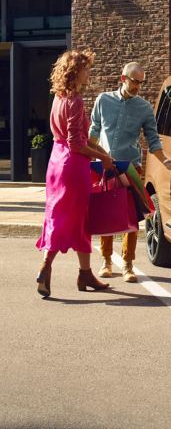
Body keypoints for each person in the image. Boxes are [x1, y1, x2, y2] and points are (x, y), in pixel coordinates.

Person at [89, 61, 171, 282]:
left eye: (141, 82)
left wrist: (165, 161)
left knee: (130, 217)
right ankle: (106, 261)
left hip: (131, 167)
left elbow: (153, 140)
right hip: (106, 167)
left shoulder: (144, 108)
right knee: (107, 214)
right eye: (135, 81)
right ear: (123, 78)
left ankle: (128, 264)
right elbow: (94, 132)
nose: (138, 86)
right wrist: (88, 159)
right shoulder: (103, 100)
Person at [36, 49, 115, 297]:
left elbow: (72, 139)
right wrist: (103, 158)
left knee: (58, 217)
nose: (88, 73)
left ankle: (80, 272)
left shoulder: (59, 97)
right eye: (85, 69)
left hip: (56, 163)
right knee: (78, 220)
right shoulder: (76, 101)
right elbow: (76, 144)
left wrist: (101, 151)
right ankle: (54, 268)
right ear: (75, 71)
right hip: (73, 166)